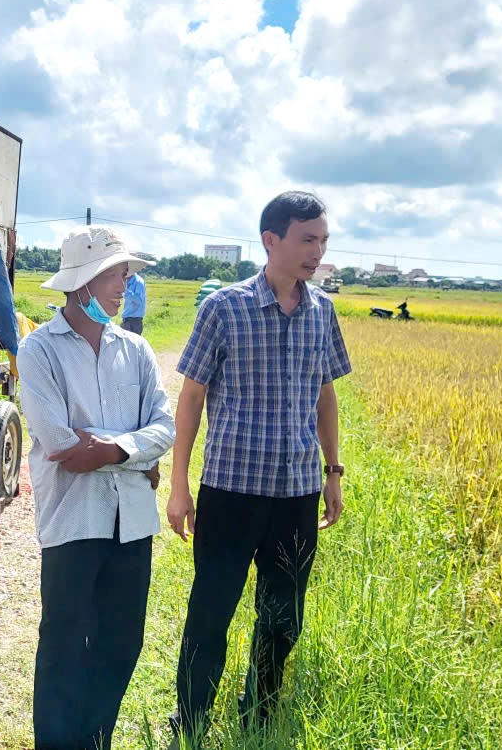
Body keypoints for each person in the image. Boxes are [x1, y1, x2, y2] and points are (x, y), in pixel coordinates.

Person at [166, 191, 351, 741]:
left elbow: (325, 394)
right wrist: (180, 488)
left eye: (322, 240)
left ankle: (260, 711)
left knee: (283, 617)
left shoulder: (323, 310)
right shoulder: (224, 307)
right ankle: (192, 715)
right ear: (271, 240)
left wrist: (333, 471)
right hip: (230, 491)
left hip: (296, 494)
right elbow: (191, 398)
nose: (317, 252)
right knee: (211, 610)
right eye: (307, 239)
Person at [17, 226, 176, 750]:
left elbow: (165, 427)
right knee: (64, 643)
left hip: (131, 523)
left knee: (121, 643)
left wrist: (110, 451)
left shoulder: (136, 349)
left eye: (127, 276)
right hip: (72, 522)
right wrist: (136, 456)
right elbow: (60, 442)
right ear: (82, 283)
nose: (125, 287)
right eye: (117, 275)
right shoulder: (39, 351)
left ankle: (94, 739)